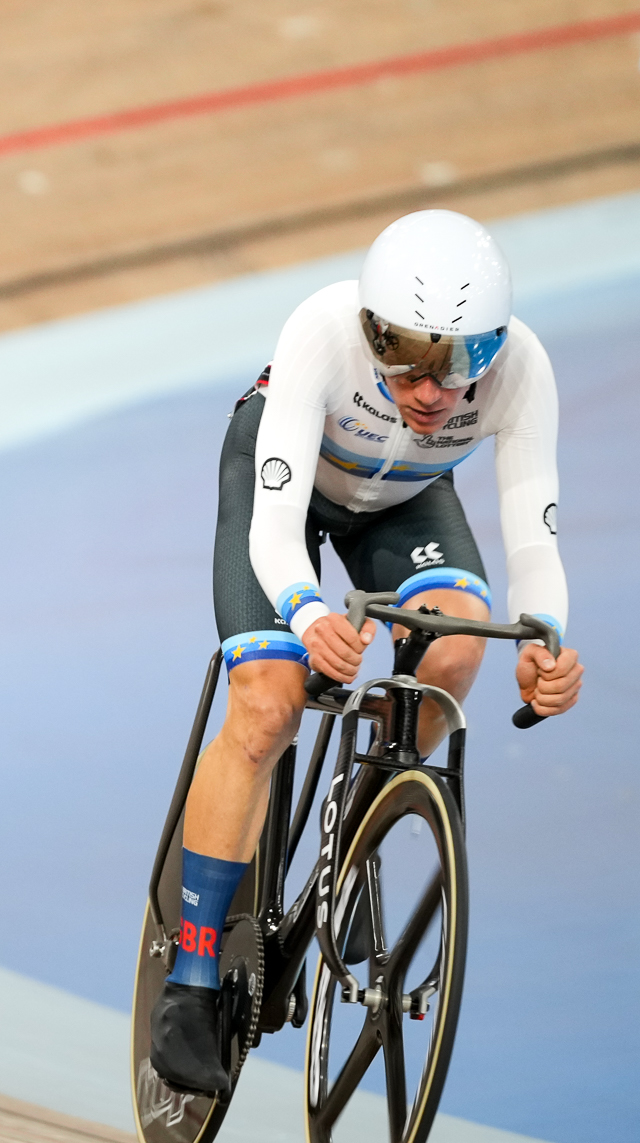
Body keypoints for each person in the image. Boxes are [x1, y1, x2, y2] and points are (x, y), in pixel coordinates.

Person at [149, 210, 584, 1096]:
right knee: (269, 704)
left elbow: (534, 540)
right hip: (287, 484)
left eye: (460, 361)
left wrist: (547, 643)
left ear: (495, 346)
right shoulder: (320, 330)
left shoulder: (525, 371)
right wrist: (308, 613)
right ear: (368, 330)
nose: (430, 389)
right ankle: (190, 983)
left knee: (459, 642)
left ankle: (359, 826)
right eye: (404, 357)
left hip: (402, 502)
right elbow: (274, 530)